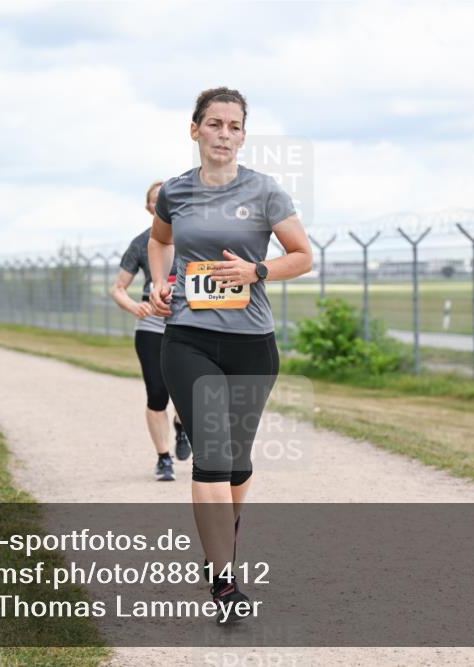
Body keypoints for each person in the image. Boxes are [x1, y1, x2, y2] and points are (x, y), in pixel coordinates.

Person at [148, 87, 312, 622]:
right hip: (188, 338)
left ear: (243, 135)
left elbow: (303, 256)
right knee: (213, 458)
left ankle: (223, 548)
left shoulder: (265, 191)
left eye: (234, 126)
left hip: (252, 344)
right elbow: (160, 241)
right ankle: (224, 582)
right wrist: (159, 282)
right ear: (194, 129)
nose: (224, 134)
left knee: (238, 464)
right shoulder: (175, 191)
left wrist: (255, 270)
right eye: (214, 123)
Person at [112, 180, 191, 482]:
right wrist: (135, 307)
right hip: (151, 324)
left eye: (166, 197)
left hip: (187, 320)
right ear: (148, 207)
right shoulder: (141, 243)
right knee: (157, 392)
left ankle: (182, 426)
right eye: (156, 199)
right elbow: (119, 288)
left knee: (186, 391)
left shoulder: (193, 237)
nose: (161, 203)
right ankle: (163, 458)